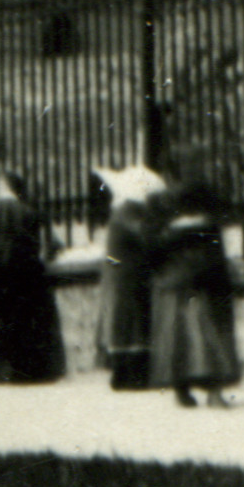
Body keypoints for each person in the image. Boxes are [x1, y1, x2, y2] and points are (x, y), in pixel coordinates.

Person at [146, 168, 239, 409]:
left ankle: (182, 391)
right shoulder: (209, 227)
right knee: (209, 340)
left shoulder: (163, 227)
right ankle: (214, 393)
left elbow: (151, 256)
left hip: (172, 287)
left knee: (177, 341)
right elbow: (217, 260)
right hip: (203, 288)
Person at [0, 167, 64, 382]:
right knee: (17, 319)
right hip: (21, 271)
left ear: (2, 187)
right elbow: (38, 246)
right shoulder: (28, 211)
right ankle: (17, 370)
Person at [94, 164, 167, 390]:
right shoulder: (130, 210)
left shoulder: (124, 209)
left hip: (124, 275)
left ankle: (127, 374)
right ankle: (128, 376)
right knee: (130, 324)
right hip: (127, 277)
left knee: (127, 324)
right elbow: (147, 235)